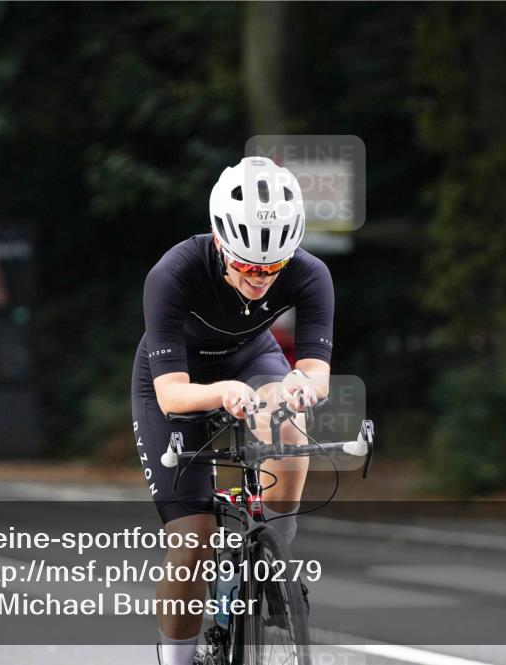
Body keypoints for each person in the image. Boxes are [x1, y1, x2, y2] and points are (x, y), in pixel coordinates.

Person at [131, 156, 333, 665]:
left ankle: (275, 560)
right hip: (179, 380)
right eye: (247, 266)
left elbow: (315, 372)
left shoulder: (311, 275)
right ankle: (178, 658)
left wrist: (300, 388)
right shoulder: (173, 274)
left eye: (274, 267)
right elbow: (173, 396)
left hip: (250, 356)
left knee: (288, 418)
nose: (261, 278)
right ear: (220, 242)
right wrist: (221, 392)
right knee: (192, 544)